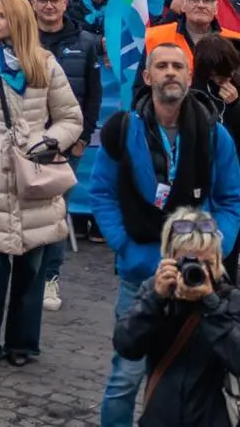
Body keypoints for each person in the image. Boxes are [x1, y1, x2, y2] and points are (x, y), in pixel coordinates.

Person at [90, 40, 240, 427]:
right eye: (162, 66)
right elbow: (102, 193)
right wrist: (123, 245)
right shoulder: (121, 129)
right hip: (140, 272)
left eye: (178, 66)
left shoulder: (213, 132)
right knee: (124, 378)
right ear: (147, 76)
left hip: (200, 275)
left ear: (190, 77)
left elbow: (229, 199)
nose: (170, 72)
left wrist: (213, 249)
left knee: (202, 375)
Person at [0, 0, 82, 367]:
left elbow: (70, 117)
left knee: (32, 269)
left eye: (1, 16)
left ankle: (22, 344)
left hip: (36, 179)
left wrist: (48, 142)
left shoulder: (46, 66)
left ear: (18, 21)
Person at [111, 207, 240, 427]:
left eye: (206, 263)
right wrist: (155, 300)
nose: (196, 271)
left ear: (218, 260)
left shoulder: (230, 300)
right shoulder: (156, 292)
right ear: (169, 259)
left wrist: (211, 304)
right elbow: (126, 345)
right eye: (188, 262)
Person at [30, 0, 100, 314]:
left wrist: (83, 139)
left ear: (63, 2)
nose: (48, 5)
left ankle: (49, 277)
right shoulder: (19, 39)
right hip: (26, 143)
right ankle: (25, 273)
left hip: (65, 146)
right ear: (33, 2)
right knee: (25, 211)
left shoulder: (86, 42)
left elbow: (94, 95)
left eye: (54, 0)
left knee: (56, 213)